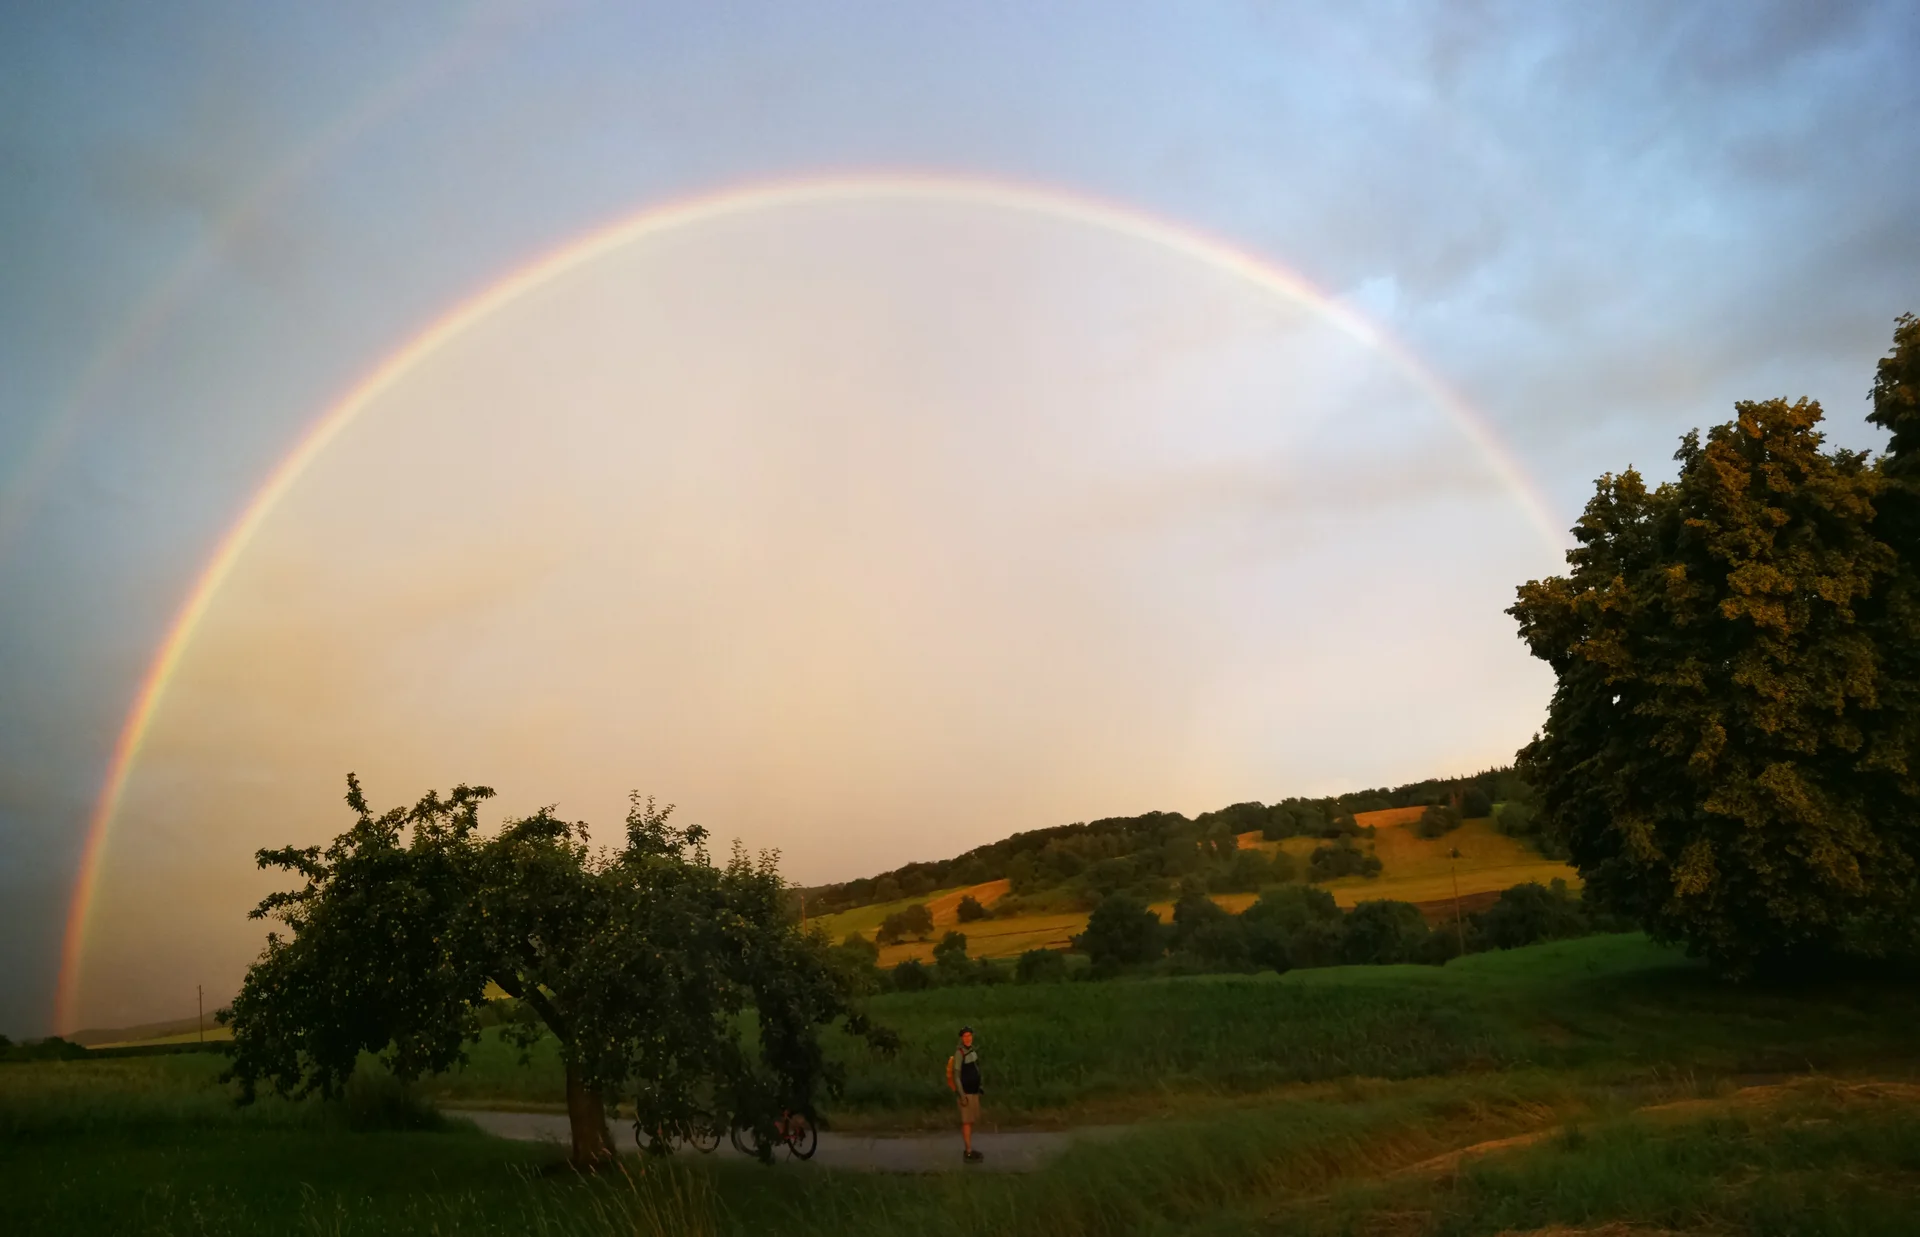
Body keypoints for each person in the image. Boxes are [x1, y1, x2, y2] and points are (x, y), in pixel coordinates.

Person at [945, 1024, 984, 1162]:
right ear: (962, 1038)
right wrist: (962, 1095)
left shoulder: (972, 1051)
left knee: (971, 1121)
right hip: (966, 1092)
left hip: (973, 1091)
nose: (968, 1038)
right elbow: (956, 1075)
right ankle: (968, 1152)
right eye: (965, 1036)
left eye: (969, 1035)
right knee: (966, 1122)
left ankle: (969, 1149)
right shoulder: (959, 1053)